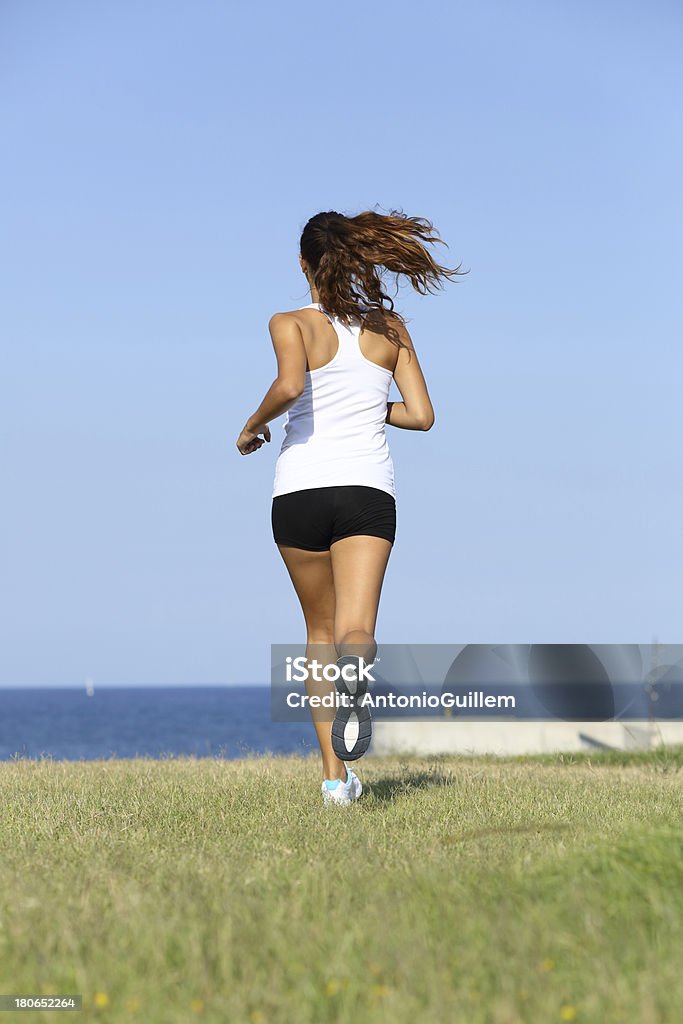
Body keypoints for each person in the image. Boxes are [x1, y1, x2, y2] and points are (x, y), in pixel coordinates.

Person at [236, 209, 465, 805]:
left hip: (301, 491)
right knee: (356, 628)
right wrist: (368, 406)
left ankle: (335, 778)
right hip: (366, 492)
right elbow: (421, 415)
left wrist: (250, 426)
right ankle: (357, 680)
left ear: (304, 264)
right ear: (359, 259)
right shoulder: (389, 329)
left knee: (317, 630)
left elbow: (289, 389)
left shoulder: (289, 322)